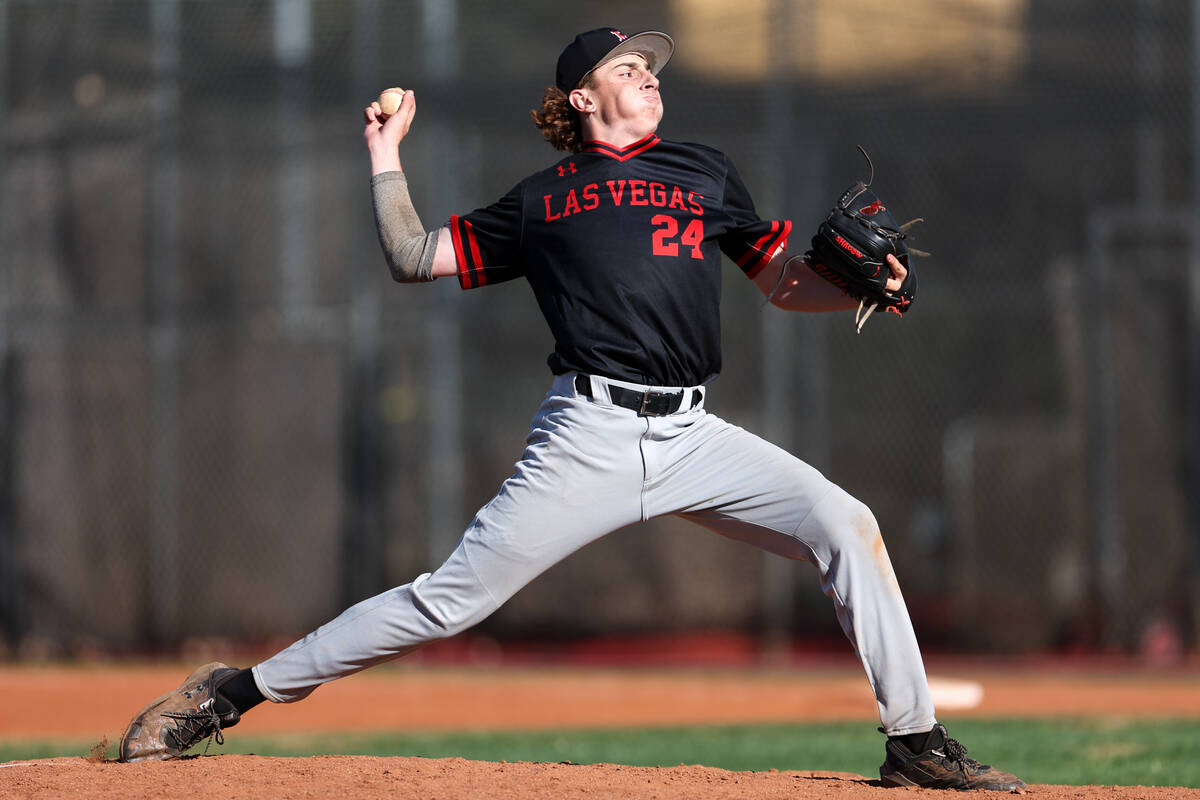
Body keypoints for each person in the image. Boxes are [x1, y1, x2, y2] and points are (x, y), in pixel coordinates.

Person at [119, 27, 1025, 791]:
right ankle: (229, 693)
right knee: (447, 604)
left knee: (845, 520)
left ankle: (915, 743)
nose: (648, 76)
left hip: (692, 433)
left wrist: (870, 292)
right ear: (583, 100)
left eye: (653, 68)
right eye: (627, 68)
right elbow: (411, 255)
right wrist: (384, 153)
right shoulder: (542, 200)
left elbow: (785, 285)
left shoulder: (706, 171)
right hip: (586, 435)